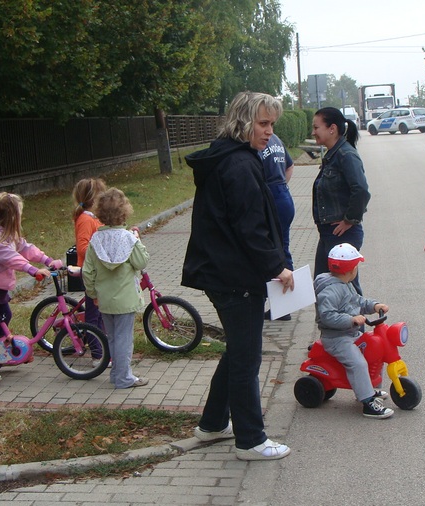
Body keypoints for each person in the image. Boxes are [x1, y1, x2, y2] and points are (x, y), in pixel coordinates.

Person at [183, 91, 294, 461]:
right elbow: (251, 227)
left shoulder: (231, 157)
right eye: (263, 124)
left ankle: (212, 424)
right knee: (247, 359)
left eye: (272, 124)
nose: (269, 132)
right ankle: (251, 440)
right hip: (236, 277)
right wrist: (276, 268)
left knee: (238, 352)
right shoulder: (239, 165)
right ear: (244, 122)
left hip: (225, 272)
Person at [0, 192, 62, 382]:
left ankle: (2, 351)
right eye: (19, 213)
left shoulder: (8, 234)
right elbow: (11, 257)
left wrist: (47, 260)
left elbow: (26, 248)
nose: (21, 218)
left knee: (6, 316)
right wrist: (33, 270)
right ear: (11, 217)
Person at [314, 243, 393, 419]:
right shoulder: (330, 291)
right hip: (336, 338)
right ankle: (367, 402)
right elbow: (327, 316)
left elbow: (357, 301)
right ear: (350, 270)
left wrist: (374, 305)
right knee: (358, 363)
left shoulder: (345, 284)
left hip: (349, 334)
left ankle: (368, 388)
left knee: (373, 351)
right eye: (356, 266)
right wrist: (351, 320)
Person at [82, 188, 149, 389]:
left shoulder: (95, 240)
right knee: (124, 340)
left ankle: (116, 374)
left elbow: (88, 272)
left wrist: (93, 294)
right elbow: (141, 262)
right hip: (126, 299)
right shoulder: (129, 238)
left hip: (104, 298)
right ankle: (124, 378)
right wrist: (138, 239)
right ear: (124, 212)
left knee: (112, 337)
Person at [311, 107, 371, 294]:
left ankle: (356, 323)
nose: (313, 132)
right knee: (324, 285)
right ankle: (331, 323)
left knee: (347, 291)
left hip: (342, 234)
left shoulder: (346, 155)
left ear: (332, 129)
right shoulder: (333, 155)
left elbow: (360, 190)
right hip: (329, 234)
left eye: (316, 127)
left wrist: (349, 220)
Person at [259, 132, 295, 321]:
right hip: (283, 195)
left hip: (272, 195)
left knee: (273, 251)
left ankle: (281, 305)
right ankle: (284, 305)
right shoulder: (276, 138)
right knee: (283, 249)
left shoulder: (258, 140)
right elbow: (289, 166)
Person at [72, 177, 107, 331]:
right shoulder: (86, 220)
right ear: (93, 199)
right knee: (94, 313)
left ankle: (102, 342)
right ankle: (97, 350)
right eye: (102, 196)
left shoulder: (95, 218)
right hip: (91, 272)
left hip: (98, 271)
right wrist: (102, 253)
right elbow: (82, 248)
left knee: (102, 311)